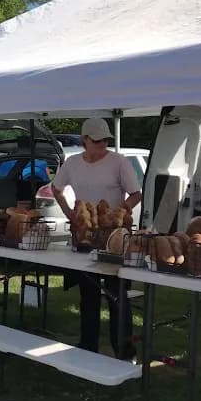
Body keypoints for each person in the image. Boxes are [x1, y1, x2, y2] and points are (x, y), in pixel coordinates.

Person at [52, 118, 142, 360]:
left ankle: (124, 352)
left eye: (105, 140)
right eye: (98, 140)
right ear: (85, 140)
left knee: (117, 296)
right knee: (88, 295)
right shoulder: (72, 164)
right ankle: (88, 346)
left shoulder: (118, 162)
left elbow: (136, 193)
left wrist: (120, 210)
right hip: (85, 237)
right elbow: (56, 188)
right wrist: (69, 213)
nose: (103, 144)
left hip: (114, 239)